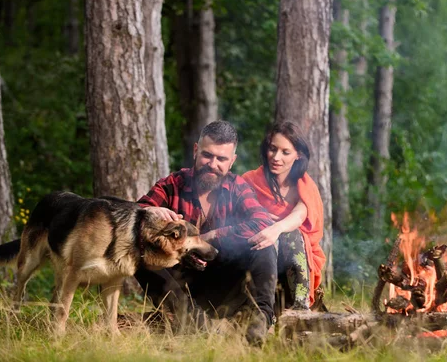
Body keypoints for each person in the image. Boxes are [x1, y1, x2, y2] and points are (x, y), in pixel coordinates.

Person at [134, 121, 276, 345]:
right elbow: (135, 214)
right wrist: (151, 210)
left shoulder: (237, 187)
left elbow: (262, 221)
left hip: (225, 285)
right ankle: (191, 323)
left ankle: (259, 322)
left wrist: (214, 236)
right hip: (180, 287)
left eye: (221, 159)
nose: (213, 164)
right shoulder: (173, 184)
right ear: (195, 151)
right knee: (139, 252)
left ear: (232, 162)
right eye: (207, 155)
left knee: (263, 242)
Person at [242, 121, 325, 311]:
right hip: (257, 256)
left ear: (298, 155)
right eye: (272, 149)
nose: (276, 157)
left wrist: (276, 228)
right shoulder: (250, 180)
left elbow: (299, 215)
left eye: (285, 152)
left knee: (293, 235)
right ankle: (261, 311)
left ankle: (300, 309)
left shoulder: (304, 185)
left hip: (296, 258)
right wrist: (261, 221)